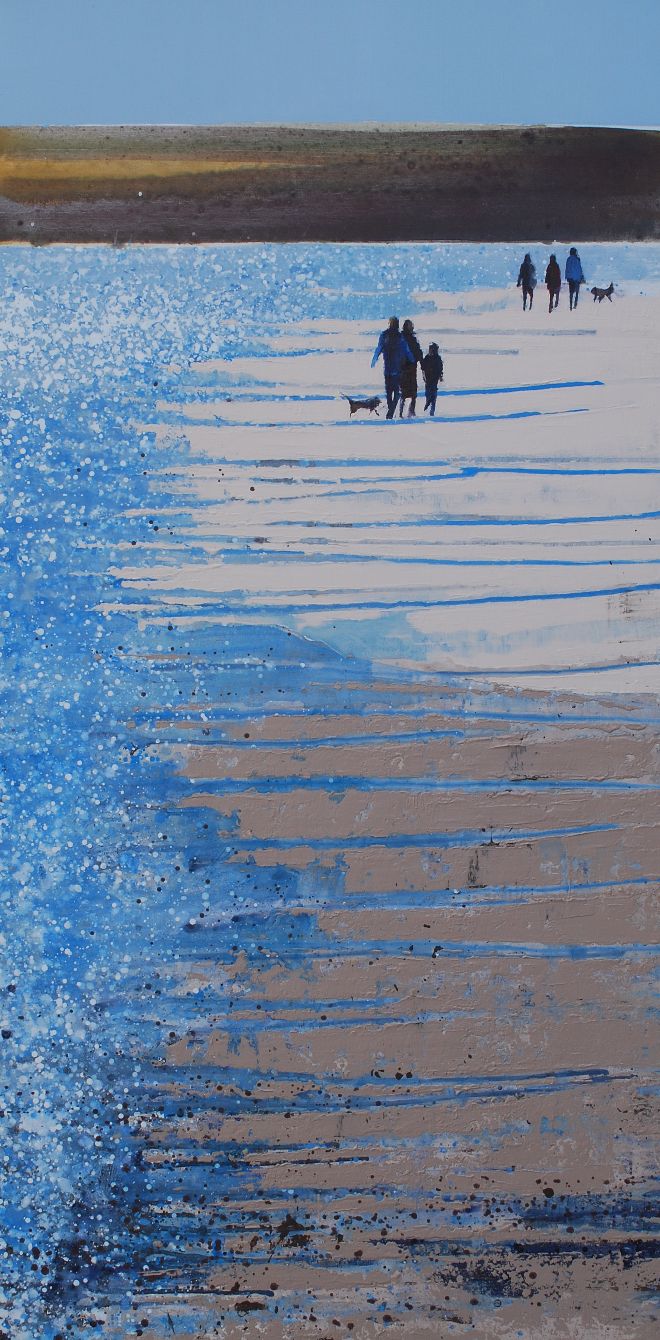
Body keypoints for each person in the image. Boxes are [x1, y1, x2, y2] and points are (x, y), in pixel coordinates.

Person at [371, 316, 415, 419]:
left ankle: (390, 411)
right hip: (397, 368)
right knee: (397, 392)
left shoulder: (384, 335)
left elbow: (379, 348)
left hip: (387, 368)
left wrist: (374, 358)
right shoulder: (400, 337)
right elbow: (406, 350)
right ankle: (391, 411)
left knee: (389, 392)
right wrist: (412, 359)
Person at [399, 318, 424, 417]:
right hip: (406, 368)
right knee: (407, 392)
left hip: (408, 368)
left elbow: (418, 352)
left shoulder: (405, 338)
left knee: (409, 392)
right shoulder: (405, 339)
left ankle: (409, 411)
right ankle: (404, 412)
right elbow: (417, 352)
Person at [421, 342, 444, 415]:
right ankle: (428, 406)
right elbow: (423, 368)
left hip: (434, 379)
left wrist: (440, 376)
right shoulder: (427, 357)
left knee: (433, 394)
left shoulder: (437, 358)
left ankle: (431, 410)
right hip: (428, 379)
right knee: (428, 394)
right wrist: (424, 376)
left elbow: (440, 368)